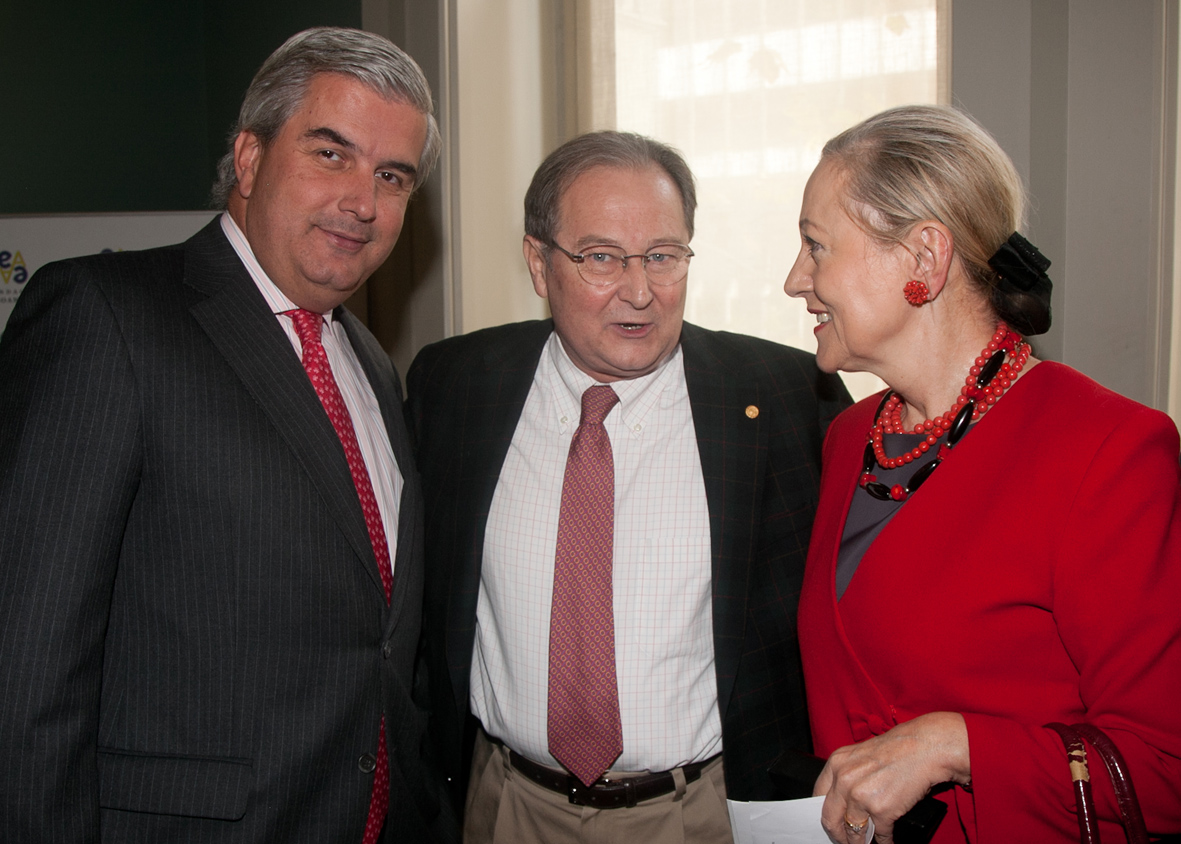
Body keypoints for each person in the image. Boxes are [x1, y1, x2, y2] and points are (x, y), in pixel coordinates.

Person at [0, 27, 451, 842]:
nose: (363, 200)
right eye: (331, 154)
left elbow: (383, 644)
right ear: (249, 157)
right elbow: (27, 661)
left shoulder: (372, 365)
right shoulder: (107, 316)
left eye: (392, 176)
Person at [405, 130, 850, 844]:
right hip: (505, 807)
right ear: (539, 263)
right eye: (601, 258)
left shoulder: (787, 398)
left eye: (663, 256)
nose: (639, 292)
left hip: (704, 813)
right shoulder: (455, 386)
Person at [784, 104, 1181, 843]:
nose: (793, 280)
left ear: (924, 259)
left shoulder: (1108, 451)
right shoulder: (848, 437)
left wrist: (953, 744)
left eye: (815, 246)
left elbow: (1164, 767)